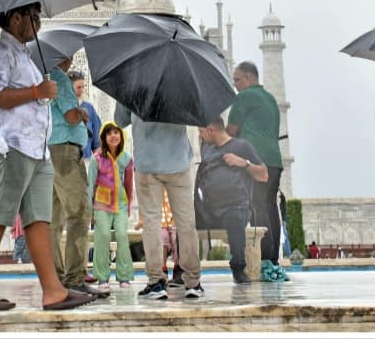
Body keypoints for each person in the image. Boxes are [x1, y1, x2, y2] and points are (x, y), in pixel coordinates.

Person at [0, 2, 95, 312]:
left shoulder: (25, 55)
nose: (37, 23)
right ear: (15, 18)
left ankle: (53, 291)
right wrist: (37, 92)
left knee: (38, 220)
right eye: (33, 18)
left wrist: (42, 92)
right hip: (10, 146)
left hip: (36, 150)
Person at [116, 102, 203, 300]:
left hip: (148, 163)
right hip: (177, 162)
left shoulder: (133, 83)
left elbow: (120, 120)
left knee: (152, 224)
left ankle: (156, 282)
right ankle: (193, 282)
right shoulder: (179, 84)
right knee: (186, 223)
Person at [48, 55, 103, 298]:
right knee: (79, 214)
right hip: (66, 151)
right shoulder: (58, 77)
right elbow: (70, 116)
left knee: (52, 220)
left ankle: (55, 278)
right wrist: (80, 113)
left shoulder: (43, 78)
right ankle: (75, 278)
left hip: (47, 152)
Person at [194, 116, 269, 284]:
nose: (199, 136)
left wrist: (244, 163)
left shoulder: (241, 146)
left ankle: (238, 268)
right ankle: (184, 272)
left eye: (201, 131)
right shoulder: (206, 148)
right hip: (209, 208)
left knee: (235, 217)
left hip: (234, 207)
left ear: (211, 130)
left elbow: (264, 175)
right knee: (183, 224)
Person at [227, 61, 284, 271]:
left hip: (255, 160)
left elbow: (231, 130)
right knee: (270, 207)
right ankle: (273, 259)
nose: (235, 85)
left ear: (250, 78)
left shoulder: (244, 96)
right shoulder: (270, 98)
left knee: (257, 208)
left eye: (238, 79)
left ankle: (265, 259)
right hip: (274, 161)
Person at [87, 122, 135, 291]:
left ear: (121, 136)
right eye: (109, 133)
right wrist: (89, 209)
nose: (113, 136)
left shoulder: (127, 159)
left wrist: (129, 205)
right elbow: (90, 184)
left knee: (122, 236)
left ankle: (124, 276)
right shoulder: (97, 158)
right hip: (101, 205)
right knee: (103, 236)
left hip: (120, 204)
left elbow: (129, 184)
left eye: (116, 132)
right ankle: (102, 277)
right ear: (104, 138)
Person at [69, 70, 101, 159]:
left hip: (86, 161)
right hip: (65, 163)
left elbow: (96, 144)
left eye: (83, 86)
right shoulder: (62, 109)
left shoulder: (90, 109)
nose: (82, 90)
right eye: (79, 87)